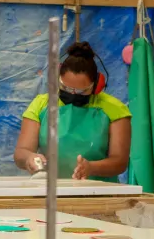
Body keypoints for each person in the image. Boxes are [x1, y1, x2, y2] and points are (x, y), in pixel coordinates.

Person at [14, 40, 131, 181]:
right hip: (51, 193)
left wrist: (91, 167)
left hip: (100, 194)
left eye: (82, 91)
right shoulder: (41, 104)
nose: (73, 94)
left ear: (97, 85)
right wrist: (29, 158)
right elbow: (21, 152)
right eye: (66, 88)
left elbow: (119, 162)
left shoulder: (115, 109)